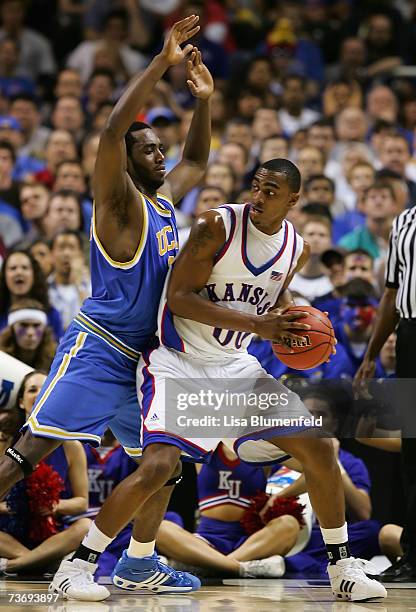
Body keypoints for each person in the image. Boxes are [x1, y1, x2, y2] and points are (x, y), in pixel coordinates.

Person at [81, 158, 385, 601]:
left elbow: (274, 293)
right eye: (257, 187)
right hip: (180, 362)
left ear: (293, 200)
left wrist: (302, 324)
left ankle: (342, 567)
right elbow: (179, 299)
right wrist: (258, 326)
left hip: (235, 369)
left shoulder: (295, 247)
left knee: (319, 447)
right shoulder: (215, 226)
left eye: (271, 192)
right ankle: (80, 565)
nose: (259, 198)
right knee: (160, 468)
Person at [0, 15, 213, 600]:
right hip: (98, 350)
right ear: (127, 158)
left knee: (163, 466)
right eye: (149, 150)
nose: (161, 157)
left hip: (142, 361)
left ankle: (140, 562)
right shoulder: (118, 207)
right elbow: (116, 127)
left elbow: (197, 161)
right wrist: (162, 64)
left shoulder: (165, 201)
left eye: (160, 148)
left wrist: (205, 102)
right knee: (29, 452)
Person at [355, 204, 416, 581]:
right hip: (410, 335)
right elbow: (392, 293)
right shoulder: (405, 221)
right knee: (412, 450)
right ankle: (412, 556)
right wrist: (371, 354)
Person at [155, 442, 299, 578]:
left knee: (289, 523)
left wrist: (281, 495)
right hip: (206, 540)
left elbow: (311, 467)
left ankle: (210, 565)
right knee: (160, 528)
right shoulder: (205, 446)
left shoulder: (260, 449)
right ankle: (240, 568)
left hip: (251, 541)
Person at [0, 371, 90, 574]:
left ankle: (15, 564)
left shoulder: (71, 445)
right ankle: (43, 562)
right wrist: (14, 507)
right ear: (21, 402)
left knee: (85, 526)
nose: (40, 393)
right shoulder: (4, 441)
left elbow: (82, 502)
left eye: (46, 388)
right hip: (8, 532)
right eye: (33, 389)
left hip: (52, 532)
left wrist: (53, 506)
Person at [0, 249, 63, 341]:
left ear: (34, 275)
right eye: (13, 268)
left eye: (25, 268)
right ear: (4, 276)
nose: (19, 272)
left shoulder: (52, 315)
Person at [0, 299, 57, 370]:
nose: (30, 332)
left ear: (45, 329)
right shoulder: (2, 359)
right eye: (24, 325)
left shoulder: (56, 361)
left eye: (36, 325)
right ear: (12, 329)